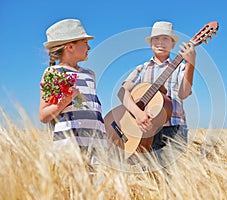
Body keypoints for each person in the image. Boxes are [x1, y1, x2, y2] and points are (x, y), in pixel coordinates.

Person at [118, 21, 196, 165]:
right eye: (156, 39)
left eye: (165, 39)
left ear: (173, 44)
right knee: (147, 173)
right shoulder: (142, 69)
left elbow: (184, 93)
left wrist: (191, 63)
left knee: (175, 176)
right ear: (151, 43)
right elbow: (122, 92)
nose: (160, 43)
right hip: (145, 131)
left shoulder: (181, 68)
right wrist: (138, 113)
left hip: (175, 128)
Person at [39, 19, 106, 164]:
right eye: (85, 43)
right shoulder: (53, 73)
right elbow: (44, 116)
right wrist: (64, 101)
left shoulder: (90, 74)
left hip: (96, 146)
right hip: (69, 147)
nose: (89, 48)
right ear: (70, 47)